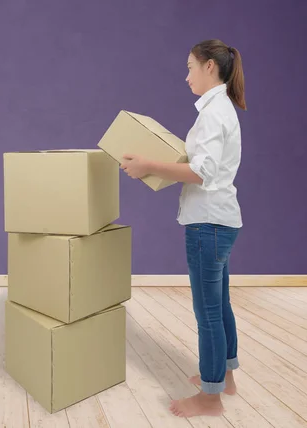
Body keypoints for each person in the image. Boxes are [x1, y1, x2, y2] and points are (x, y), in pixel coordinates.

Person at [120, 39, 246, 418]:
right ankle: (226, 377)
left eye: (191, 66)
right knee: (219, 303)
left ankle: (210, 399)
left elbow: (200, 172)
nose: (186, 74)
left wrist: (149, 165)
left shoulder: (213, 113)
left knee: (207, 312)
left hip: (207, 223)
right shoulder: (220, 109)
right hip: (221, 221)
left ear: (210, 67)